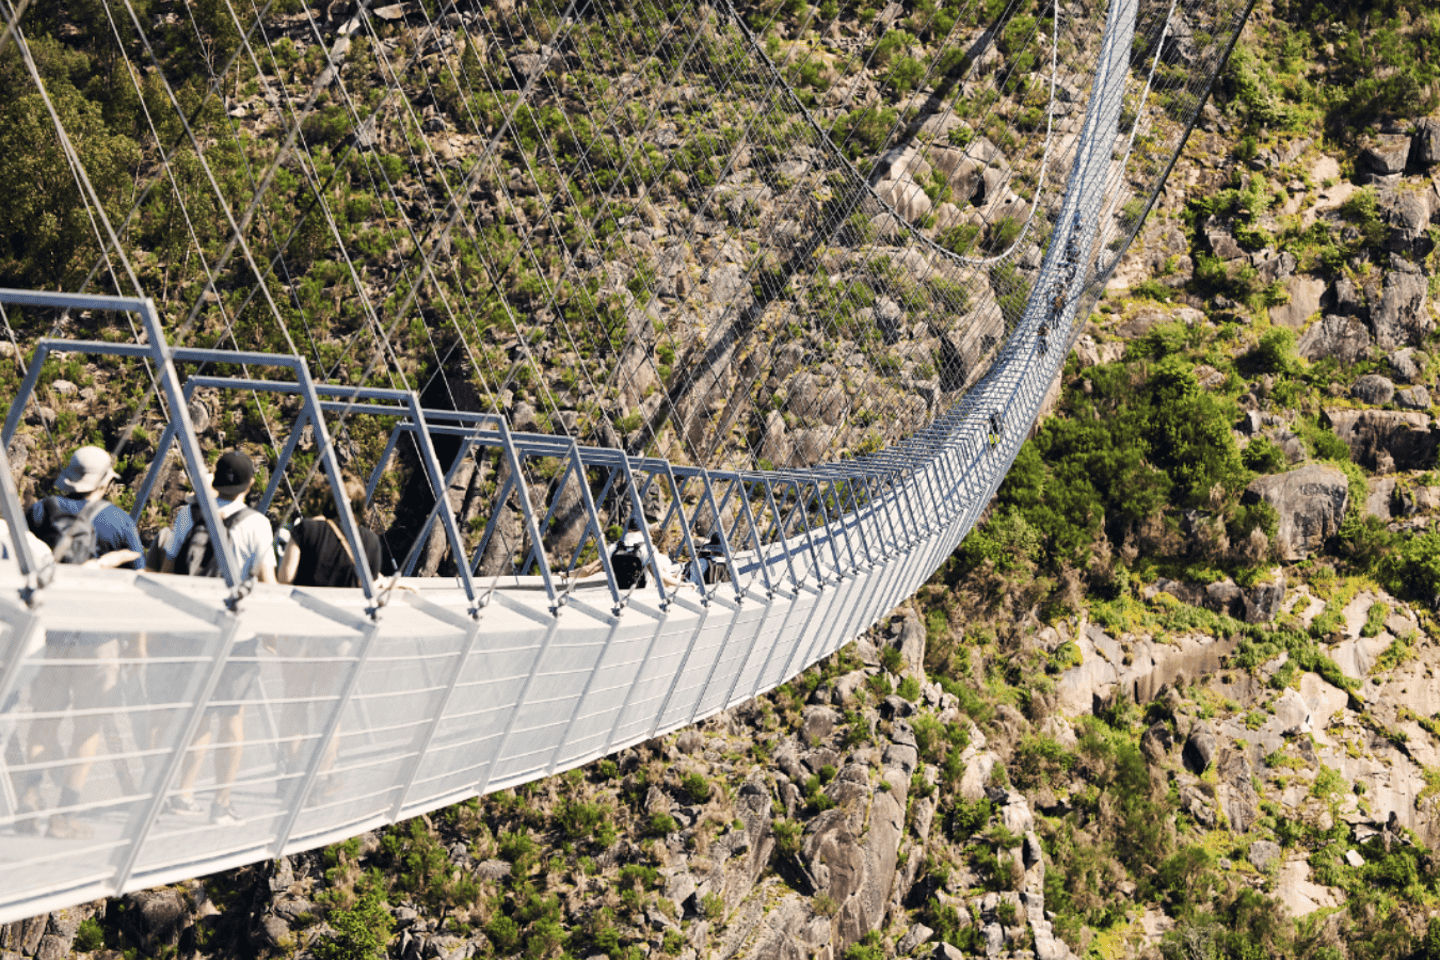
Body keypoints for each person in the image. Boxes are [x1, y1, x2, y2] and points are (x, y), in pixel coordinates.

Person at [16, 447, 143, 838]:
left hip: (49, 634)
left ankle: (27, 806)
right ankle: (63, 817)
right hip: (98, 637)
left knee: (44, 720)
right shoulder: (119, 523)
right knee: (88, 727)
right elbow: (141, 587)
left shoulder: (40, 511)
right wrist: (137, 646)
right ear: (105, 482)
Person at [159, 450, 276, 825]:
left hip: (187, 630)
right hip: (234, 636)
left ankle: (179, 793)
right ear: (250, 484)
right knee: (231, 720)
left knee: (192, 716)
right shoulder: (257, 524)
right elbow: (269, 583)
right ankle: (221, 804)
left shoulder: (186, 515)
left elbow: (166, 569)